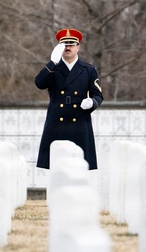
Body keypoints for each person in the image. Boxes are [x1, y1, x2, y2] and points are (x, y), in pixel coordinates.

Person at [35, 28, 103, 170]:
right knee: (55, 165)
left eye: (71, 44)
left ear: (78, 47)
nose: (68, 47)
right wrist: (52, 62)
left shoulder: (88, 69)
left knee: (80, 165)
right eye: (64, 44)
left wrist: (92, 103)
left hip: (79, 121)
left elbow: (98, 95)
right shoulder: (53, 68)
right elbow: (39, 84)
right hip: (56, 121)